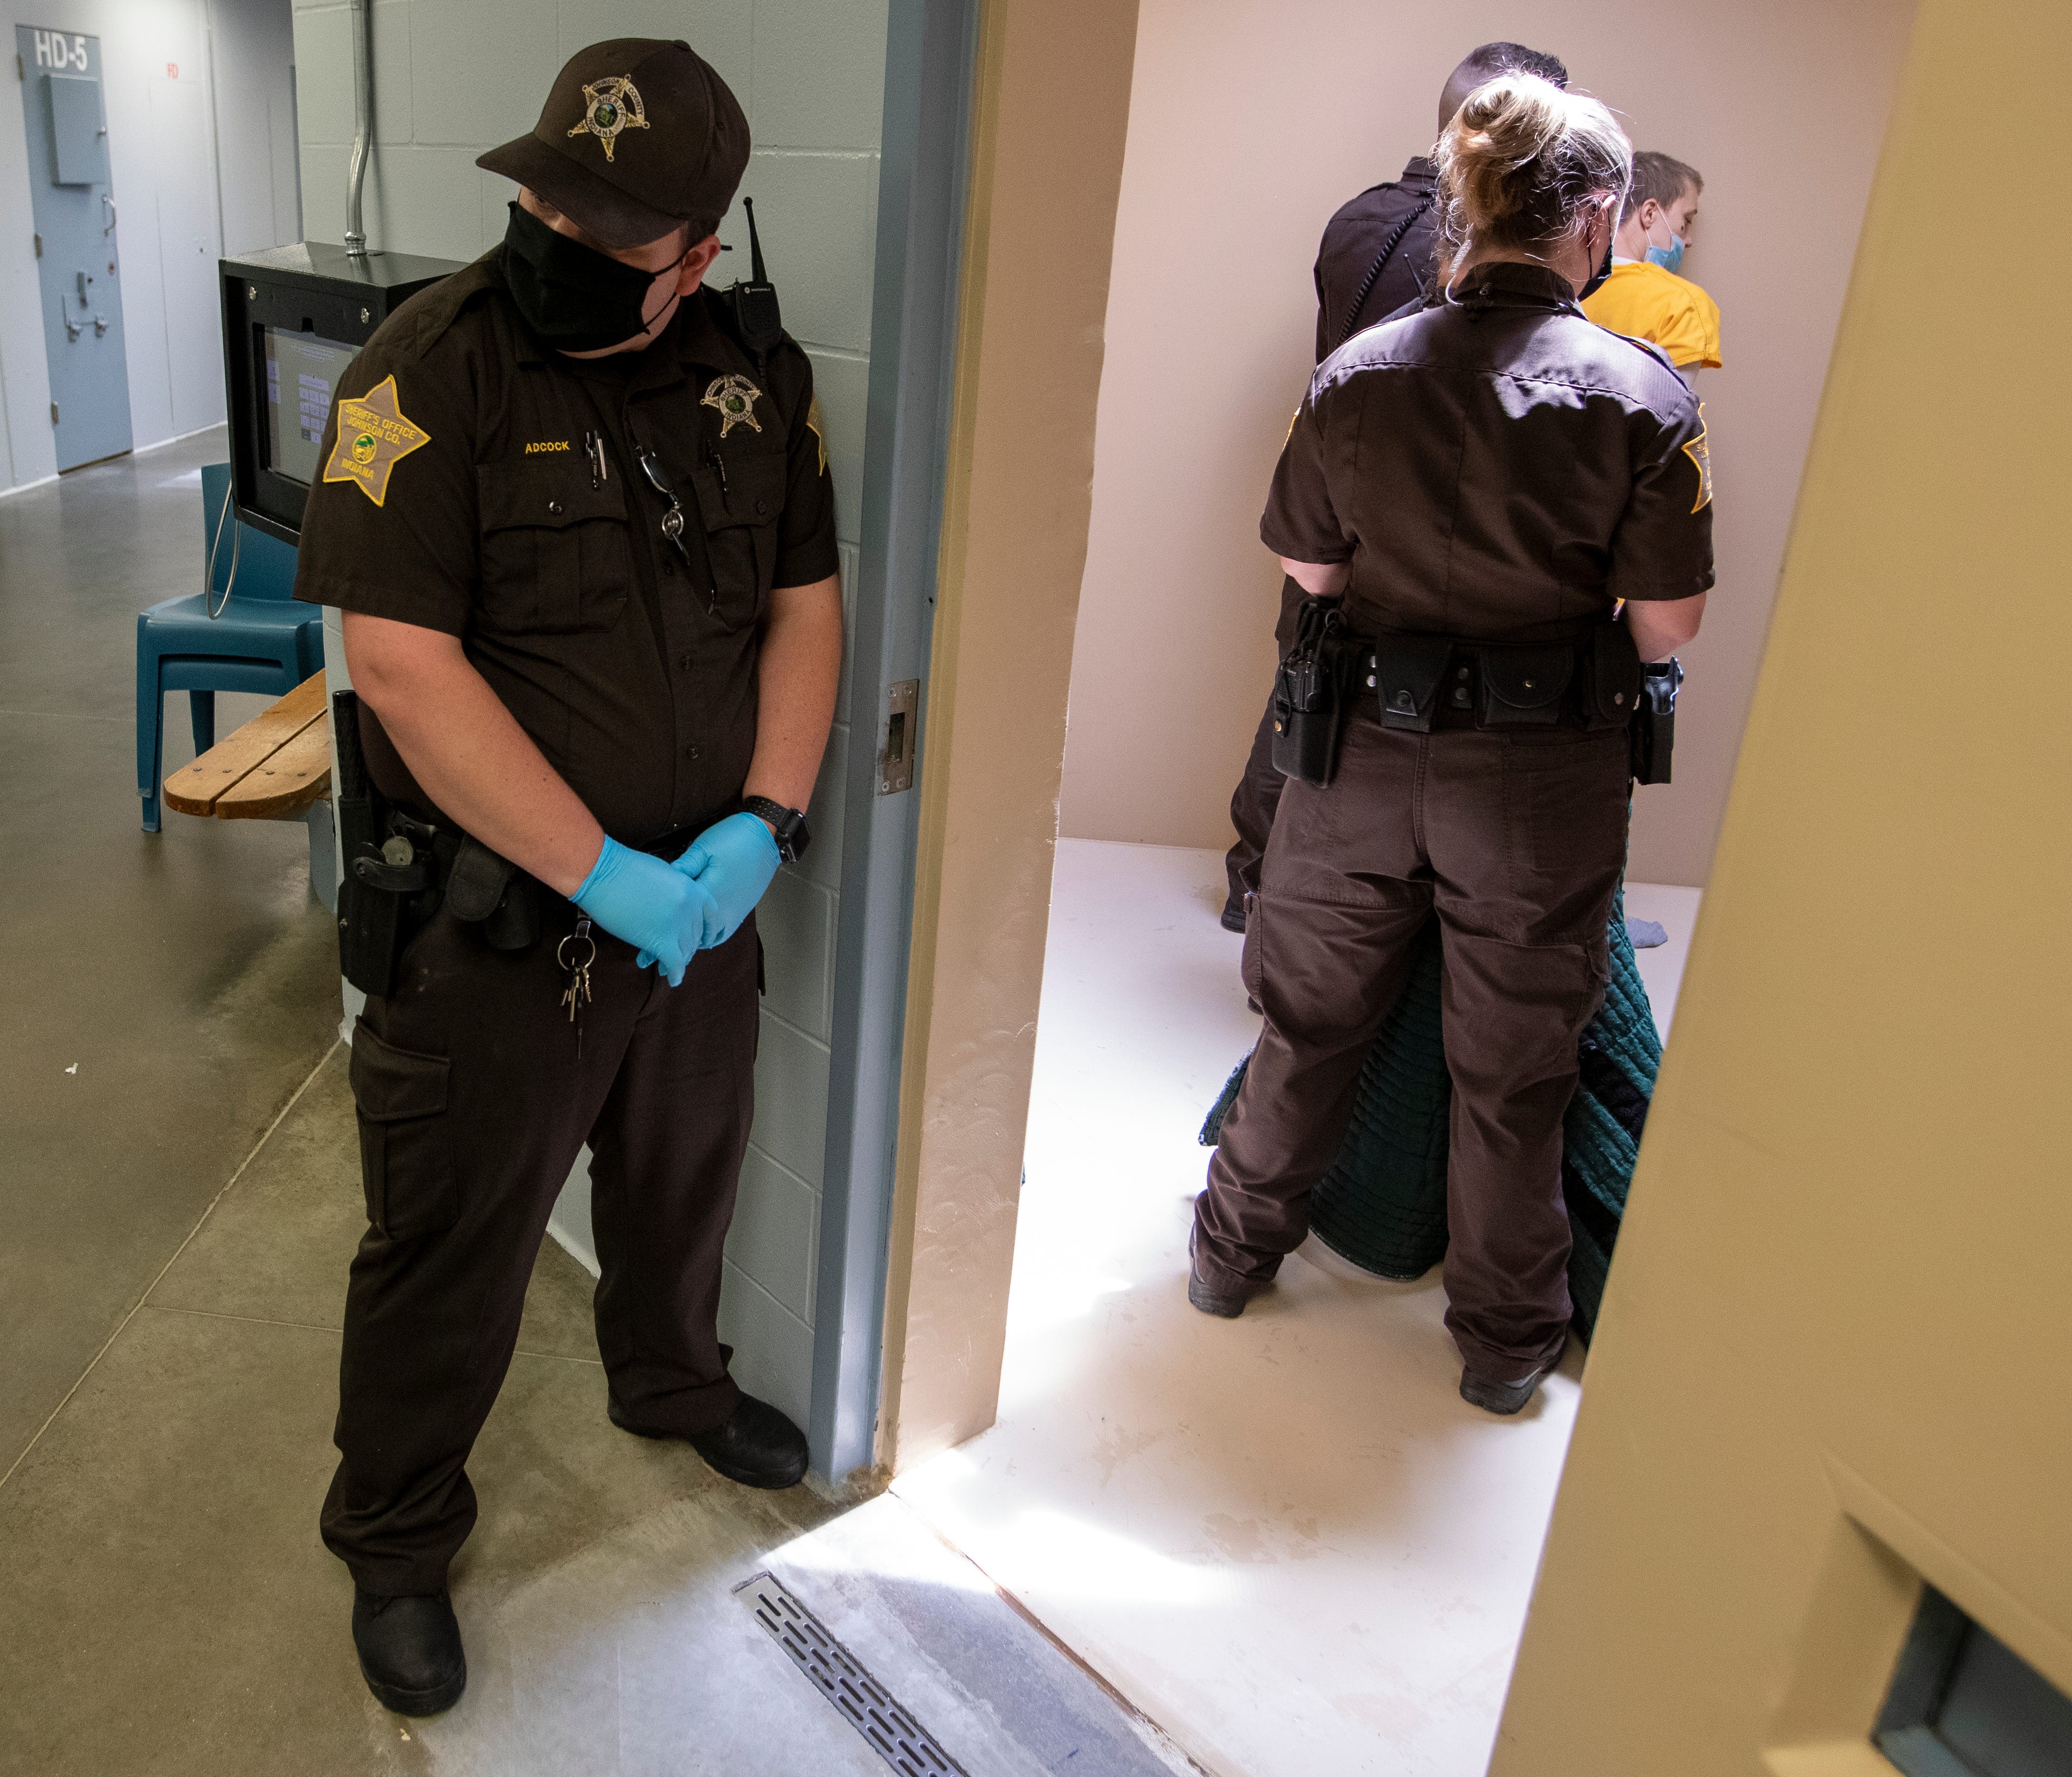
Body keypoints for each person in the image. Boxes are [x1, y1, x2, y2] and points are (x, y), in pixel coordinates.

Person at [291, 37, 843, 1715]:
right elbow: (396, 662)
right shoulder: (426, 371)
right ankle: (393, 1529)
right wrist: (603, 870)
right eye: (549, 198)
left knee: (684, 1179)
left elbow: (802, 609)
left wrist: (767, 817)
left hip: (703, 907)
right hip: (499, 928)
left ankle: (669, 1381)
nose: (561, 238)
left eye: (616, 230)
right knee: (448, 1246)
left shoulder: (757, 373)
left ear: (704, 250)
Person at [1189, 73, 1712, 1418]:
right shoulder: (1641, 399)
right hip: (1538, 786)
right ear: (1597, 219)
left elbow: (1307, 569)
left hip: (1357, 757)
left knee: (1305, 1026)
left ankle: (1226, 1260)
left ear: (1463, 210)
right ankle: (1501, 1348)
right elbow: (1667, 630)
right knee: (1514, 1074)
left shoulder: (1360, 375)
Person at [1221, 40, 1570, 931]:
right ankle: (1323, 906)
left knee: (1301, 674)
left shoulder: (1355, 219)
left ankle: (1251, 875)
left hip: (1321, 488)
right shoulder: (1471, 249)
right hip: (1411, 511)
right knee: (1376, 711)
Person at [1581, 150, 1722, 373]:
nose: (1688, 241)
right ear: (1649, 213)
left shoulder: (1566, 286)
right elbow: (1670, 406)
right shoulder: (1684, 305)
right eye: (1687, 220)